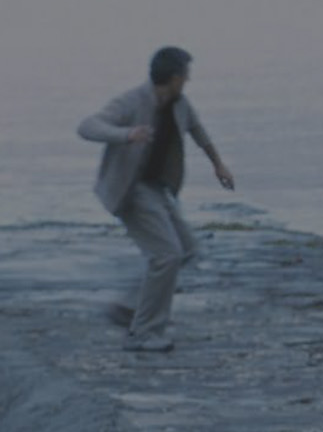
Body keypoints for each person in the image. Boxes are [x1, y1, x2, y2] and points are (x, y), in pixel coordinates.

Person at [78, 46, 236, 352]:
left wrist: (218, 164)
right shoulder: (132, 101)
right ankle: (145, 333)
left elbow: (198, 131)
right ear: (174, 77)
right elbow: (87, 127)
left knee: (187, 250)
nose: (188, 81)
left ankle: (130, 306)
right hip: (131, 190)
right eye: (186, 75)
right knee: (166, 256)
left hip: (157, 188)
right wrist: (125, 134)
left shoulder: (179, 103)